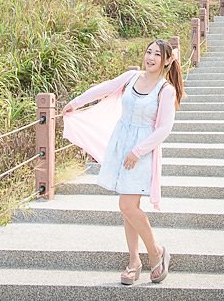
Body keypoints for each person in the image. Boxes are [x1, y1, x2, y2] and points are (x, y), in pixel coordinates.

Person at [63, 40, 184, 285]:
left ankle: (155, 252)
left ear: (167, 61)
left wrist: (137, 151)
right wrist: (76, 102)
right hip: (121, 147)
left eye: (156, 54)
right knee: (128, 207)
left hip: (141, 152)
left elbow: (164, 129)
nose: (150, 57)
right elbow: (104, 88)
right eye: (148, 52)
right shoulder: (132, 77)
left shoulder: (166, 90)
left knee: (128, 206)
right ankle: (134, 261)